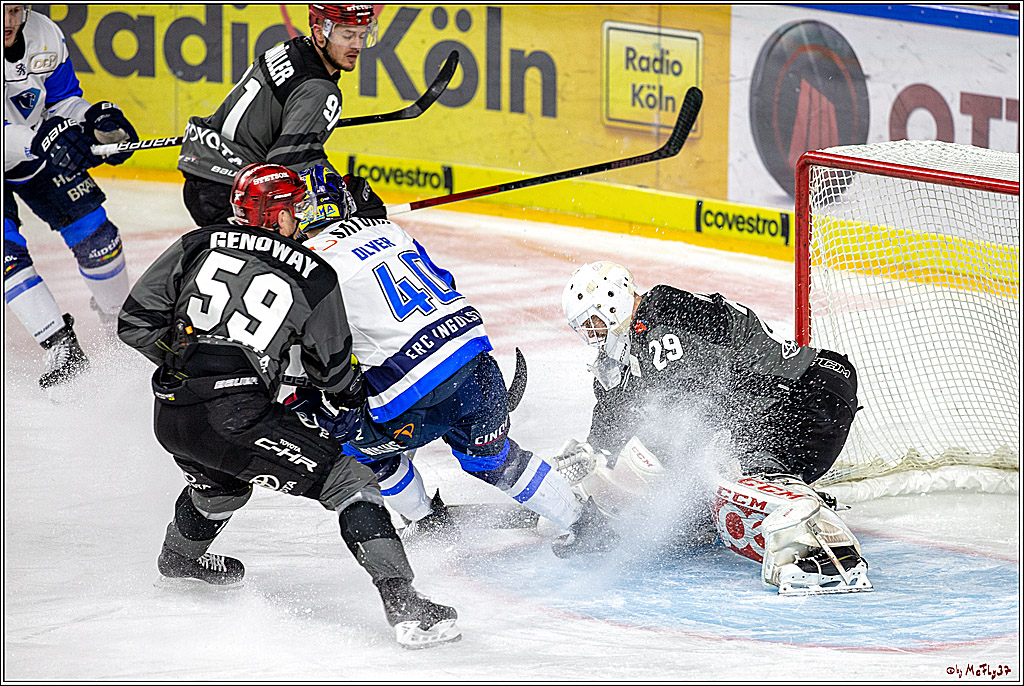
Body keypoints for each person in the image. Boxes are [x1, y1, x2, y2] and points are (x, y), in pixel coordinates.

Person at [117, 163, 460, 649]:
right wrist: (345, 401)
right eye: (293, 208)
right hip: (234, 416)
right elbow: (334, 372)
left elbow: (134, 323)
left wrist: (195, 361)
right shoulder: (315, 273)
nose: (299, 216)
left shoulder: (197, 242)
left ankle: (179, 557)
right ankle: (404, 601)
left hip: (172, 412)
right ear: (275, 214)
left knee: (225, 482)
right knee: (350, 480)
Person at [285, 165, 616, 558]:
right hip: (475, 361)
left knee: (356, 451)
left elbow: (308, 358)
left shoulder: (302, 267)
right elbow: (444, 283)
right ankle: (585, 523)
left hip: (408, 399)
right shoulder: (388, 230)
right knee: (495, 461)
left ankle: (425, 519)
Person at [555, 261, 871, 594]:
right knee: (692, 518)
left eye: (593, 323)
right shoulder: (633, 349)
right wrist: (590, 457)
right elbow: (614, 415)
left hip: (810, 393)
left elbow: (689, 410)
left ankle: (823, 551)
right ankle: (782, 495)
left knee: (726, 465)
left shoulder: (661, 313)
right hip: (784, 401)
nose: (593, 336)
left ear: (612, 300)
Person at [4, 4, 138, 388]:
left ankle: (122, 327)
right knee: (6, 253)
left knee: (98, 237)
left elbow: (61, 101)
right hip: (25, 144)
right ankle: (59, 345)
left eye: (16, 10)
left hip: (32, 148)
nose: (10, 21)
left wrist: (94, 121)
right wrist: (44, 138)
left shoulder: (45, 33)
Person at [177, 3, 385, 227]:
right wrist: (344, 196)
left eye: (362, 35)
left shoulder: (292, 49)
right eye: (347, 35)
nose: (357, 46)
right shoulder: (319, 88)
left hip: (206, 176)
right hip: (234, 194)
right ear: (319, 33)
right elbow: (290, 159)